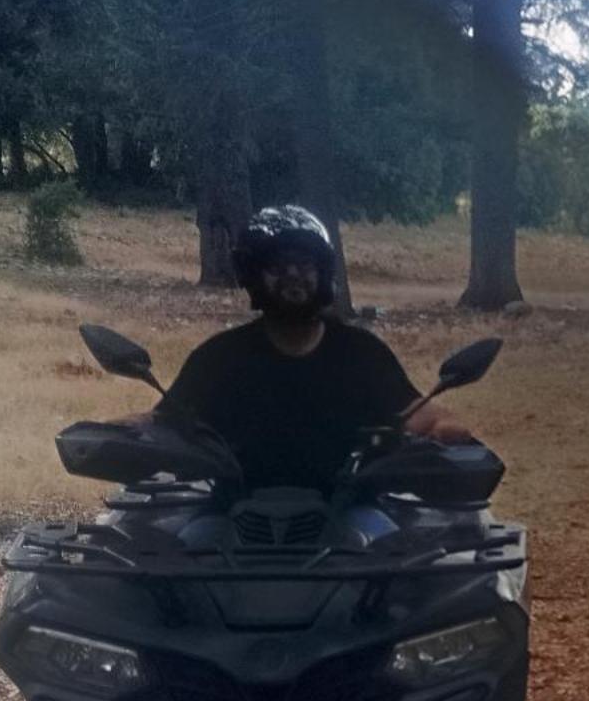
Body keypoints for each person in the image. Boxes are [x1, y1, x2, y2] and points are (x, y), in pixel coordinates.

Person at [155, 205, 475, 490]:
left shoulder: (361, 353)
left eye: (304, 264)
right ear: (253, 275)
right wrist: (122, 430)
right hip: (233, 512)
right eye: (278, 266)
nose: (293, 275)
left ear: (323, 272)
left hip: (349, 510)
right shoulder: (219, 358)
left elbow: (413, 412)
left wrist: (442, 426)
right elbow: (165, 421)